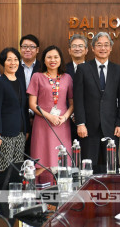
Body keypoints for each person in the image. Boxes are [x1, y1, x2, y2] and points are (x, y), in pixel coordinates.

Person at [74, 32, 120, 172]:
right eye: (99, 45)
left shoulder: (119, 71)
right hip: (88, 127)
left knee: (111, 167)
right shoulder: (83, 69)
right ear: (92, 48)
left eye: (106, 45)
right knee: (87, 167)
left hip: (112, 127)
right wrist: (80, 123)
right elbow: (78, 99)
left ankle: (111, 193)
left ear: (110, 48)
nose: (102, 48)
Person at [28, 46, 74, 174]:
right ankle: (42, 190)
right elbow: (32, 104)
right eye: (49, 57)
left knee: (63, 163)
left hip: (62, 124)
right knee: (42, 162)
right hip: (43, 124)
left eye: (55, 57)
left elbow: (72, 103)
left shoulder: (67, 78)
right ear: (44, 60)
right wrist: (49, 117)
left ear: (60, 59)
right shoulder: (37, 77)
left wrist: (64, 117)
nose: (52, 60)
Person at [0, 48, 30, 172]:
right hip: (5, 133)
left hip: (20, 132)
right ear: (3, 62)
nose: (13, 63)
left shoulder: (19, 82)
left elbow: (24, 108)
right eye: (9, 60)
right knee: (3, 168)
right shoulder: (0, 83)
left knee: (17, 169)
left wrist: (26, 129)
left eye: (16, 60)